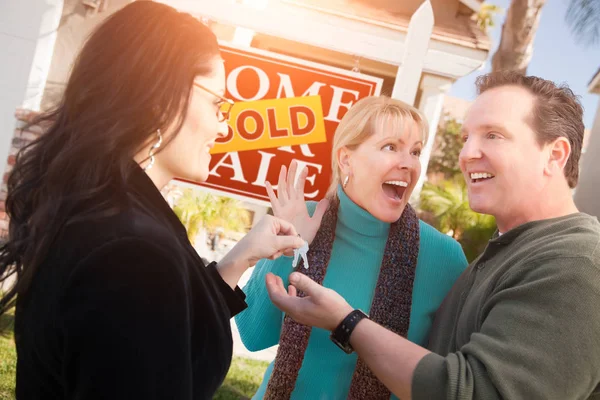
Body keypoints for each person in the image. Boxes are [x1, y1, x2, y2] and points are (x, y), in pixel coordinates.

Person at [0, 3, 305, 399]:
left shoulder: (101, 209)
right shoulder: (133, 252)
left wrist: (238, 259)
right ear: (163, 97)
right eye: (217, 104)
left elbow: (165, 329)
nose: (222, 126)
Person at [266, 72, 600, 400]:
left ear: (554, 155)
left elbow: (477, 390)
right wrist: (292, 245)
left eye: (494, 135)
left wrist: (347, 322)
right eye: (467, 137)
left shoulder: (578, 263)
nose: (467, 153)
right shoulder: (502, 255)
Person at [235, 96, 468, 399]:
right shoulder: (303, 218)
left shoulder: (445, 258)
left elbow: (447, 381)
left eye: (415, 151)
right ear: (346, 159)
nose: (408, 163)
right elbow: (253, 336)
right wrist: (289, 247)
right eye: (390, 147)